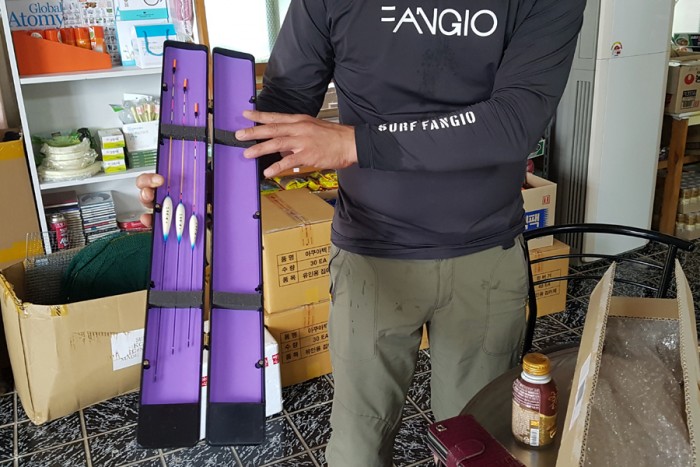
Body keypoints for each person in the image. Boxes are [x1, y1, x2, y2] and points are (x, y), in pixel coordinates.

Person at [138, 1, 586, 464]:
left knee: (474, 441)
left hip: (485, 253)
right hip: (372, 253)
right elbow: (283, 108)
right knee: (360, 442)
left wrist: (355, 142)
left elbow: (514, 121)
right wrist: (200, 188)